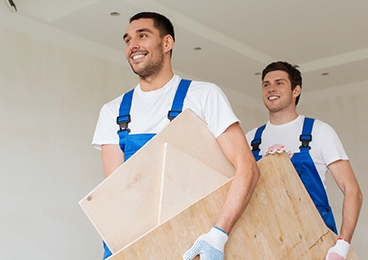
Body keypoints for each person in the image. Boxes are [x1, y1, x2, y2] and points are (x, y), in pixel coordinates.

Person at [91, 12, 260, 260]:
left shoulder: (203, 96)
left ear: (167, 43)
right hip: (134, 246)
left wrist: (218, 234)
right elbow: (118, 194)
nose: (132, 45)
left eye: (143, 35)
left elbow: (248, 168)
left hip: (193, 243)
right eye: (127, 40)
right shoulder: (113, 112)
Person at [246, 61, 363, 260]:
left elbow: (353, 191)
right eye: (266, 84)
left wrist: (342, 245)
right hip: (264, 244)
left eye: (279, 83)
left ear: (296, 90)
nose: (271, 88)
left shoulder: (319, 132)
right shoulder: (251, 139)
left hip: (314, 242)